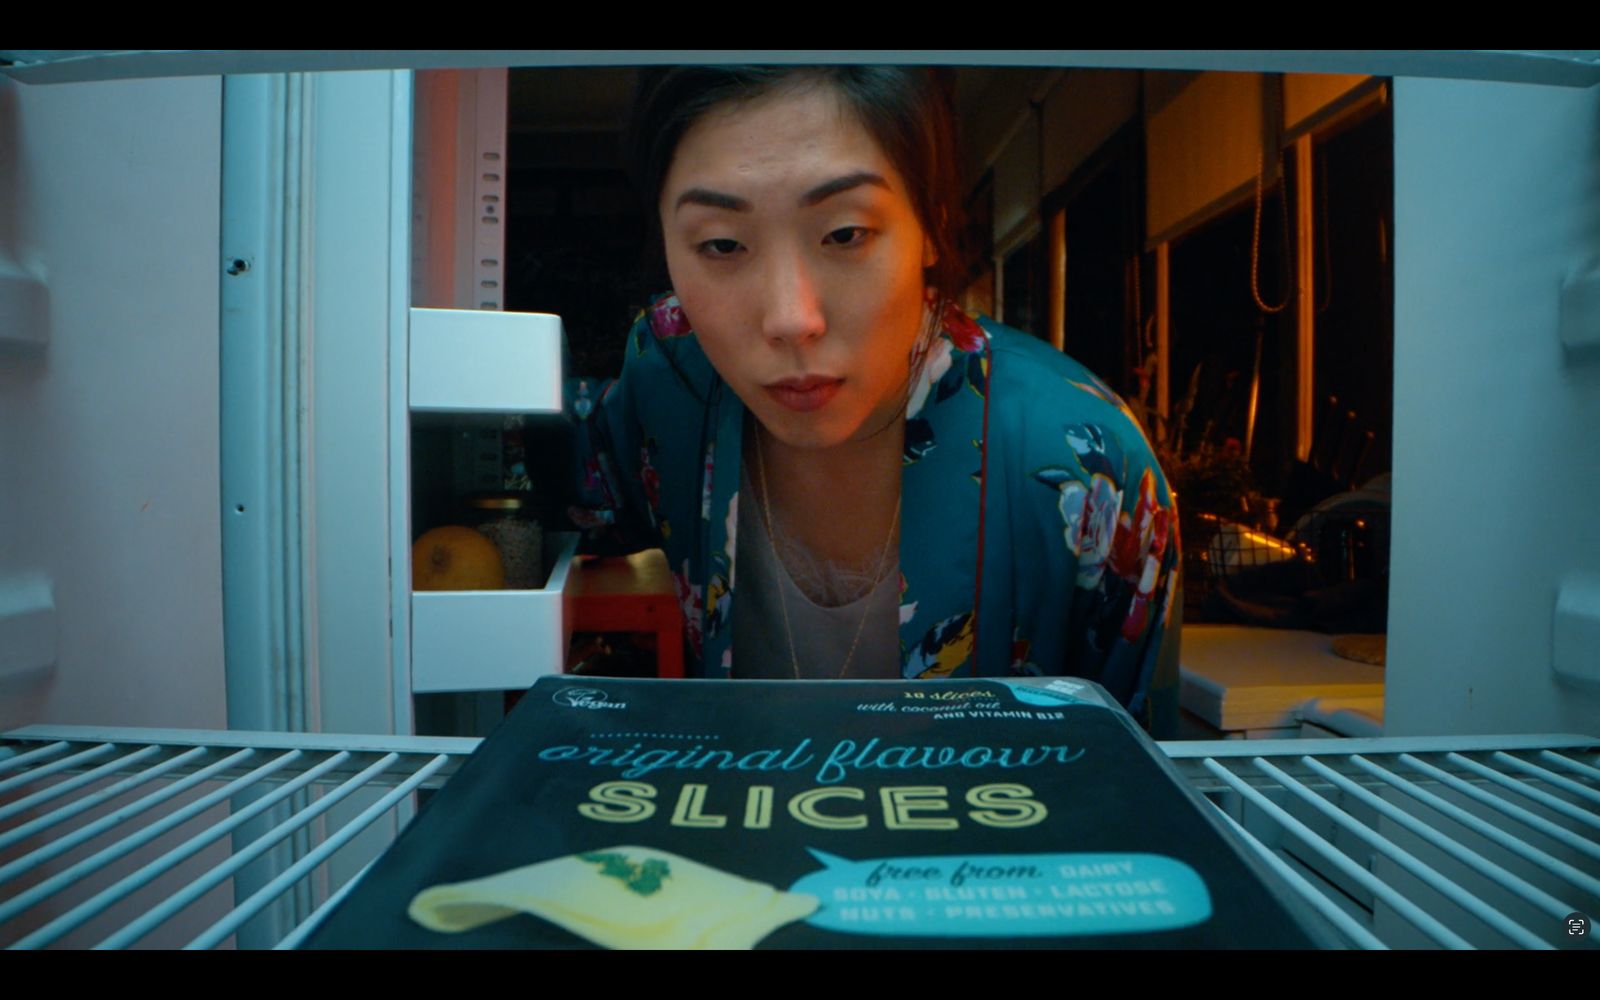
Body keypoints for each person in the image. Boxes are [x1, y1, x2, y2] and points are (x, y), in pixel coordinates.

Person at [569, 66, 1181, 734]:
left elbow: (1132, 787)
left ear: (932, 224)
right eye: (721, 244)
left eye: (845, 234)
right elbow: (530, 502)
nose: (791, 317)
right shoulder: (670, 380)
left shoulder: (1082, 461)